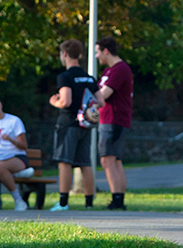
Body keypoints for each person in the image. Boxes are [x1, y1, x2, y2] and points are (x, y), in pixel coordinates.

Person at [47, 39, 98, 211]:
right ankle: (89, 203)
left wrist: (55, 102)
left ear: (65, 54)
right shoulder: (89, 78)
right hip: (86, 125)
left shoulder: (65, 77)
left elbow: (66, 101)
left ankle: (63, 203)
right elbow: (101, 102)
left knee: (65, 162)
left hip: (68, 123)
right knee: (85, 163)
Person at [95, 36, 132, 211]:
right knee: (114, 160)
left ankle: (117, 200)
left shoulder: (120, 69)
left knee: (107, 160)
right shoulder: (109, 71)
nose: (96, 56)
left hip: (114, 119)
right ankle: (118, 199)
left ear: (106, 51)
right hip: (108, 118)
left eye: (97, 52)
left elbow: (103, 95)